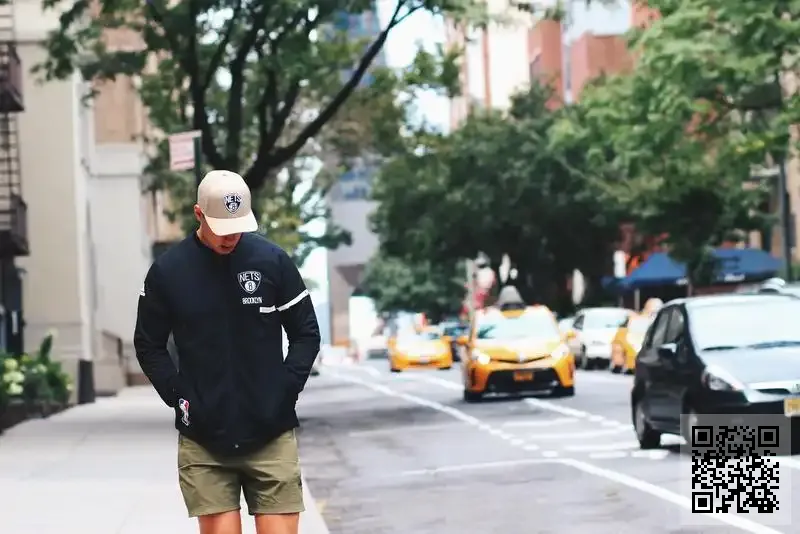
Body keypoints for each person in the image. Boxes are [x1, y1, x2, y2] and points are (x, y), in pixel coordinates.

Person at [134, 170, 321, 534]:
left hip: (270, 432)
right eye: (221, 227)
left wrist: (285, 390)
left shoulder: (273, 262)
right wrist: (179, 396)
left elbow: (306, 334)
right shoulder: (168, 272)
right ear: (198, 214)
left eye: (238, 226)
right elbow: (148, 344)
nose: (231, 236)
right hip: (204, 440)